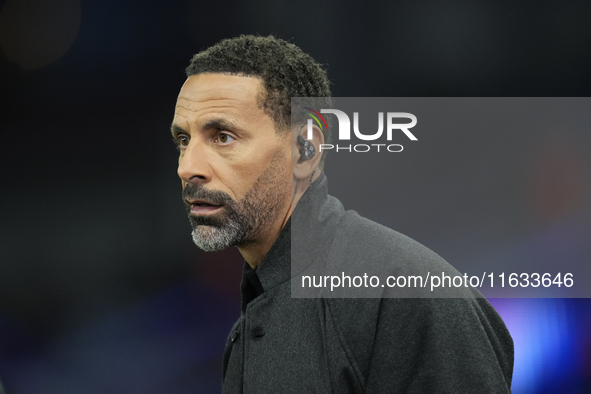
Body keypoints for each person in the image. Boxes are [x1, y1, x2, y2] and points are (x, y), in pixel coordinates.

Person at [171, 35, 514, 393]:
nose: (188, 166)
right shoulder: (247, 329)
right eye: (183, 140)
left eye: (223, 137)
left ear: (306, 150)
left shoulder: (406, 295)